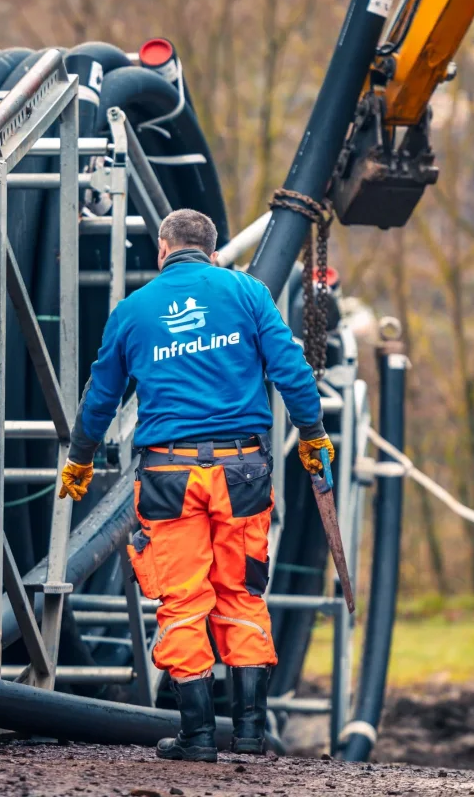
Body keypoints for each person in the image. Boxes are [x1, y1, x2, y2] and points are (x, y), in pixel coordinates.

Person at [58, 208, 332, 762]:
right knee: (241, 593)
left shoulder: (133, 310)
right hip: (242, 471)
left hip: (169, 476)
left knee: (183, 599)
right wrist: (313, 433)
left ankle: (199, 736)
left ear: (163, 249)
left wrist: (80, 457)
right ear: (212, 251)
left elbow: (101, 396)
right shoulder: (248, 293)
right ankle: (250, 734)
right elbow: (292, 370)